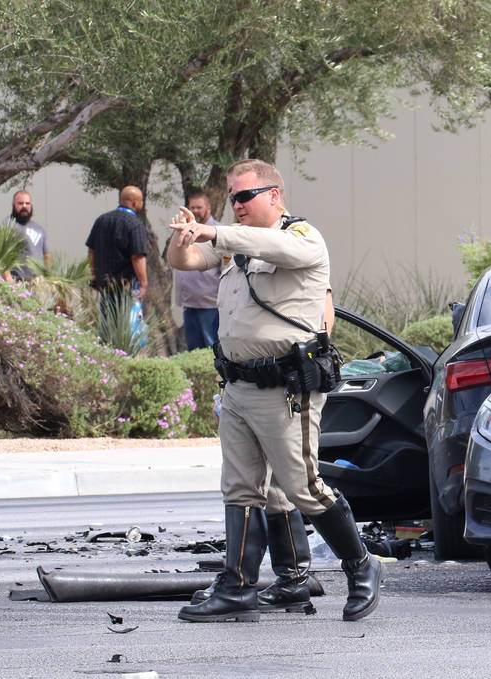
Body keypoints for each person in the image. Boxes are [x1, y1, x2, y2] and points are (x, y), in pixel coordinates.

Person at [166, 158, 380, 624]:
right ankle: (238, 588)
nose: (236, 206)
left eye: (244, 197)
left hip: (285, 388)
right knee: (241, 488)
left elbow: (266, 244)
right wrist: (184, 236)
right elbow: (183, 262)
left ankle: (361, 566)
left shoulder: (302, 238)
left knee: (302, 487)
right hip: (239, 384)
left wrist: (214, 231)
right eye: (232, 198)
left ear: (274, 196)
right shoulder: (235, 247)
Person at [86, 186, 149, 316]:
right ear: (135, 202)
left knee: (108, 326)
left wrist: (93, 274)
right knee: (128, 329)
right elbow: (137, 257)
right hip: (127, 288)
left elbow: (91, 251)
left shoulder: (101, 220)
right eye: (141, 201)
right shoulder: (135, 224)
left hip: (104, 285)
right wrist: (143, 283)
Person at [173, 191, 221, 350]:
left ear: (208, 208)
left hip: (211, 307)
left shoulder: (219, 233)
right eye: (192, 207)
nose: (195, 211)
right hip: (190, 304)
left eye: (199, 207)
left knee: (211, 349)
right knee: (193, 349)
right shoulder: (186, 231)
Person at [0, 190, 50, 281]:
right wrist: (11, 285)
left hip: (38, 284)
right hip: (18, 284)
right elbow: (1, 258)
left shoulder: (39, 228)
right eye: (20, 203)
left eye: (27, 203)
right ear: (13, 205)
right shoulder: (8, 225)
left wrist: (48, 280)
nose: (24, 206)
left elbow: (46, 256)